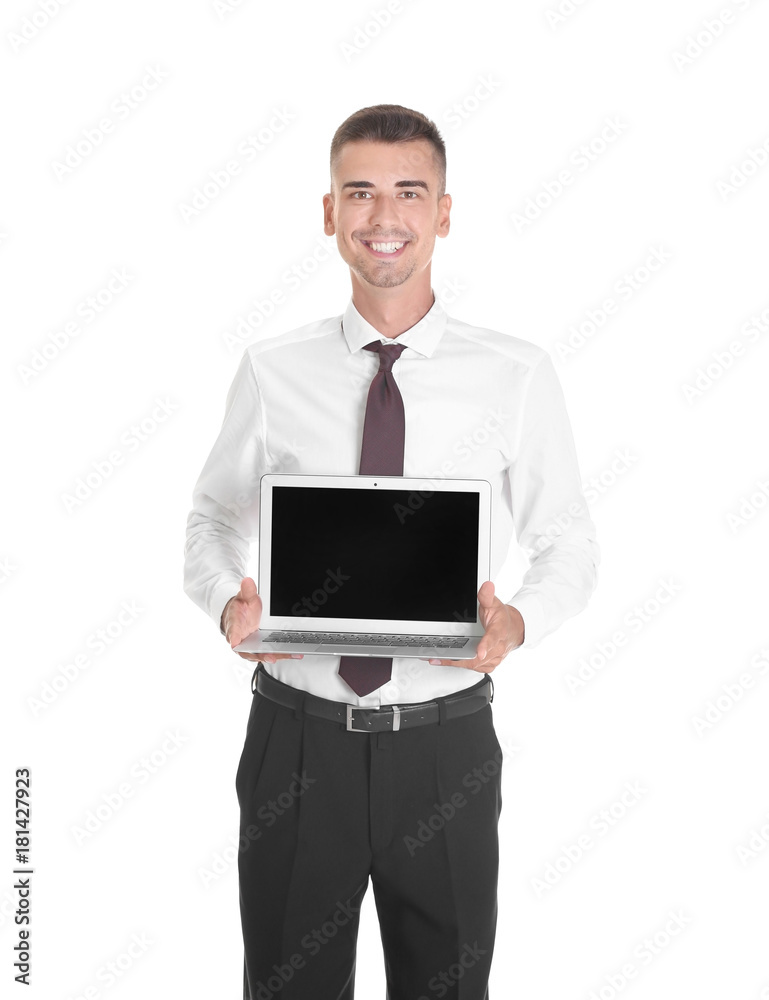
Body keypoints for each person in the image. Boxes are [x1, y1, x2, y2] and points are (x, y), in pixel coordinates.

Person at [183, 103, 599, 1000]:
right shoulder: (271, 368)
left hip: (442, 751)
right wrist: (229, 601)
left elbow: (568, 540)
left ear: (444, 212)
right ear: (328, 212)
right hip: (297, 746)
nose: (384, 217)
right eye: (359, 192)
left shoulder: (513, 373)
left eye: (409, 192)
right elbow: (210, 519)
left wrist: (517, 622)